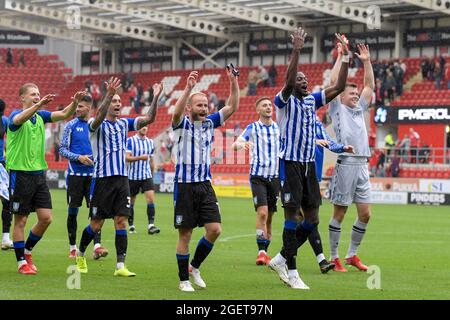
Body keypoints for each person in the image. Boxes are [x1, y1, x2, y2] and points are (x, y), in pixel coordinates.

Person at [267, 29, 349, 290]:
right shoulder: (284, 101)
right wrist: (297, 50)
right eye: (299, 78)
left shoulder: (311, 102)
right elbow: (289, 82)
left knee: (312, 219)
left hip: (308, 167)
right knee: (291, 217)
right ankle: (292, 272)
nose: (303, 80)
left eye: (305, 79)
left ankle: (280, 257)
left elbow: (338, 87)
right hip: (289, 164)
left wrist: (345, 58)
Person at [75, 77, 162, 277]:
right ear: (106, 103)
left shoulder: (125, 124)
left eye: (118, 102)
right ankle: (80, 253)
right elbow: (97, 118)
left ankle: (120, 265)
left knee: (121, 220)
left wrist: (156, 97)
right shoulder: (94, 124)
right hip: (102, 180)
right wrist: (108, 95)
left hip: (122, 179)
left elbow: (149, 119)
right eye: (113, 101)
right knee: (96, 224)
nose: (117, 104)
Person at [7, 83, 88, 275]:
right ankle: (20, 263)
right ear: (22, 98)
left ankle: (27, 251)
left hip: (38, 174)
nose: (37, 96)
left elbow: (64, 115)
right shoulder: (15, 115)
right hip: (20, 174)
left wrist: (74, 103)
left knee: (46, 218)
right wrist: (38, 106)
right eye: (33, 94)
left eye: (38, 94)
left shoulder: (40, 116)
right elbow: (19, 118)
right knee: (21, 220)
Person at [172, 68, 239, 292]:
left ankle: (194, 267)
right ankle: (183, 280)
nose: (204, 108)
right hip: (185, 186)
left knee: (215, 229)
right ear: (190, 108)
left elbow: (231, 107)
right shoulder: (181, 125)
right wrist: (189, 88)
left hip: (205, 185)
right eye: (199, 105)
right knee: (186, 234)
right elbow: (175, 114)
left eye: (205, 105)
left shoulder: (210, 123)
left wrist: (233, 82)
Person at [270, 117, 354, 276]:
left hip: (312, 177)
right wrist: (312, 142)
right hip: (293, 175)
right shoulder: (290, 123)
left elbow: (329, 142)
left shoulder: (316, 124)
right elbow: (284, 144)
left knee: (310, 220)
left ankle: (283, 257)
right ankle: (317, 260)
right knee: (302, 218)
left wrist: (343, 147)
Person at [325, 43, 375, 272]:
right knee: (340, 213)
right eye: (351, 93)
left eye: (356, 93)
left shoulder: (359, 109)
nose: (356, 95)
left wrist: (366, 61)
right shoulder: (337, 108)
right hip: (346, 165)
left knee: (365, 214)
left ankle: (351, 255)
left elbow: (369, 87)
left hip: (363, 164)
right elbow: (334, 83)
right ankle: (334, 257)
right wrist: (341, 56)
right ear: (341, 97)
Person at [59, 94, 108, 260]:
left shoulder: (96, 125)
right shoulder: (70, 126)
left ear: (89, 108)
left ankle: (97, 246)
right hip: (75, 176)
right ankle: (73, 247)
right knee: (73, 211)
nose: (76, 109)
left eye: (80, 106)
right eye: (76, 106)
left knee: (96, 213)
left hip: (94, 177)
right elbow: (62, 150)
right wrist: (79, 157)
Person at [232, 97, 280, 266]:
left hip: (275, 177)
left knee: (270, 218)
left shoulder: (279, 128)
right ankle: (261, 252)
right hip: (258, 177)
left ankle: (265, 251)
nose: (268, 107)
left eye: (269, 105)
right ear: (258, 110)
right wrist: (238, 145)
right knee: (262, 213)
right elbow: (237, 142)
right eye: (264, 105)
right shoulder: (252, 128)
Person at [126, 85, 163, 235]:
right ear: (139, 127)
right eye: (143, 126)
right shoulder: (130, 141)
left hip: (146, 175)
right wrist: (139, 158)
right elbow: (127, 158)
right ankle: (131, 225)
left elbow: (152, 160)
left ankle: (151, 225)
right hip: (133, 176)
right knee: (132, 202)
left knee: (150, 199)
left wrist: (152, 171)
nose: (145, 128)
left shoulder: (150, 142)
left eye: (147, 126)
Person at [0, 99, 12, 250]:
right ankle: (5, 238)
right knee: (7, 202)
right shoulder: (4, 120)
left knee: (8, 201)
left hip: (1, 164)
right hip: (1, 164)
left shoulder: (4, 120)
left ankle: (5, 238)